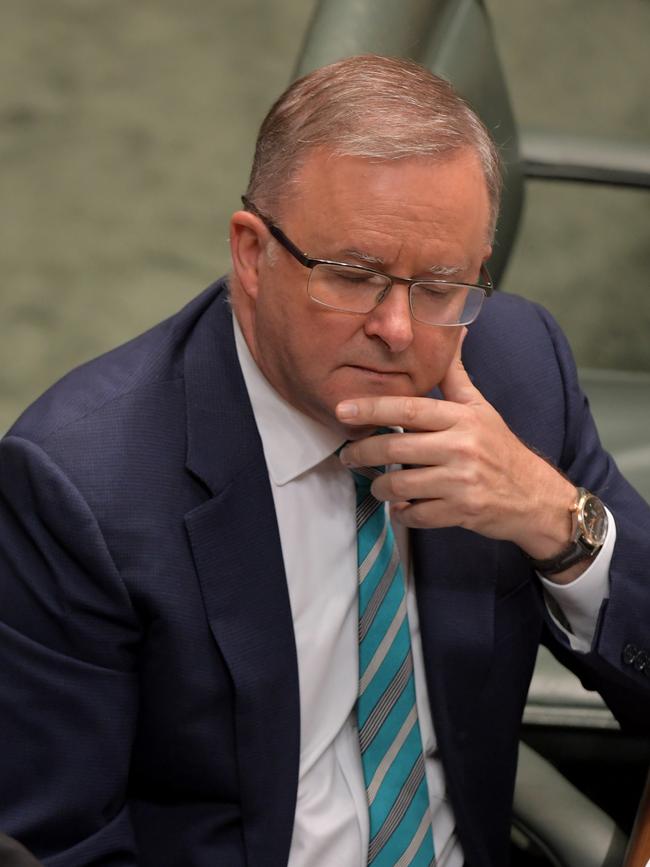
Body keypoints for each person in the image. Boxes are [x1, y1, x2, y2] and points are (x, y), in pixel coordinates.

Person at [1, 54, 649, 867]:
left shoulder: (515, 371)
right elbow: (62, 844)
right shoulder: (82, 486)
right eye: (354, 276)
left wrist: (554, 520)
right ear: (251, 253)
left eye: (442, 286)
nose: (400, 329)